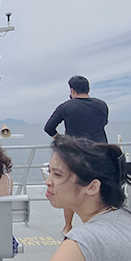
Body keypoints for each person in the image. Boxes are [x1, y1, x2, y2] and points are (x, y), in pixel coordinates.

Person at [43, 75, 109, 235]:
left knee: (69, 188)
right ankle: (101, 222)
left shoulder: (66, 106)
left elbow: (49, 128)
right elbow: (103, 123)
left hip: (75, 154)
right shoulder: (102, 105)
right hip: (100, 153)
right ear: (88, 89)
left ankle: (68, 226)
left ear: (72, 90)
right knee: (99, 188)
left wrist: (61, 139)